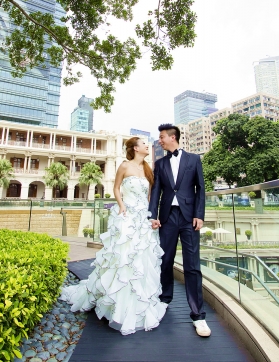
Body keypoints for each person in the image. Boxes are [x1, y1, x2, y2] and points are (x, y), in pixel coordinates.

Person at [60, 137, 167, 335]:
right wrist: (122, 205)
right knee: (123, 258)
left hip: (143, 218)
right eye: (144, 144)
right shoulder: (124, 166)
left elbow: (151, 197)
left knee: (142, 259)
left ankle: (140, 302)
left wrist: (154, 217)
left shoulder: (148, 169)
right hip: (126, 216)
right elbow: (116, 188)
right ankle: (116, 303)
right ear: (135, 148)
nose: (147, 146)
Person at [149, 123, 210, 337]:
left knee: (192, 265)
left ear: (173, 137)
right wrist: (152, 215)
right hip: (167, 217)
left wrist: (199, 215)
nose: (160, 140)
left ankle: (198, 315)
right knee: (164, 260)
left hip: (189, 218)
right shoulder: (160, 163)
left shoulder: (194, 159)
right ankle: (164, 301)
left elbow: (201, 188)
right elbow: (156, 190)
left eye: (162, 137)